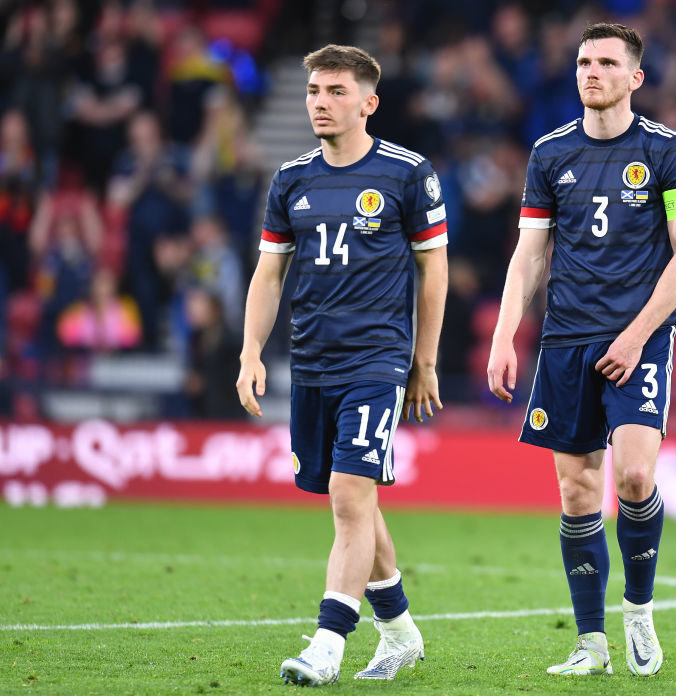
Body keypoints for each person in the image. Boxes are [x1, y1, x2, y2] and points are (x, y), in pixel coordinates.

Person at [487, 23, 676, 677]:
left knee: (635, 477)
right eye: (584, 61)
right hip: (566, 339)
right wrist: (504, 335)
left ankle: (638, 610)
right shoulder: (550, 154)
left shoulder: (668, 152)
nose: (592, 71)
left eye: (608, 62)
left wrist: (637, 335)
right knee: (577, 492)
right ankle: (591, 641)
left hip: (638, 337)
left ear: (635, 78)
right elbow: (529, 255)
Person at [235, 44, 448, 685]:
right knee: (354, 499)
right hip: (312, 362)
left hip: (377, 358)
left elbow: (432, 267)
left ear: (367, 102)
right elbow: (270, 272)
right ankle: (400, 631)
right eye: (312, 92)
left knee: (349, 495)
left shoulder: (407, 174)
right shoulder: (292, 178)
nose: (320, 103)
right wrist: (249, 351)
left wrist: (425, 360)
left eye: (334, 92)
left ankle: (329, 642)